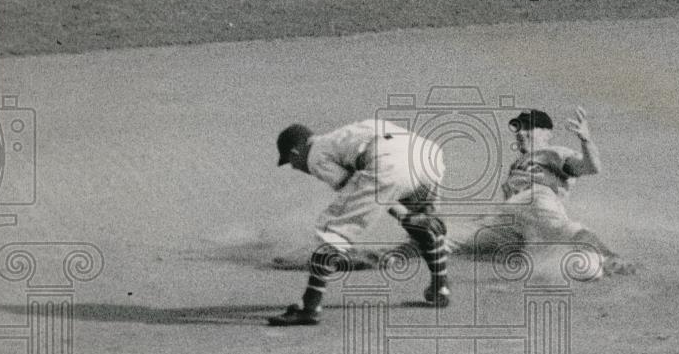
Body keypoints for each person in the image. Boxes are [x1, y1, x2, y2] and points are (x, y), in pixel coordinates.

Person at [267, 119, 450, 326]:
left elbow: (358, 187)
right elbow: (371, 185)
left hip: (389, 161)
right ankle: (440, 286)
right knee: (425, 223)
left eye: (291, 162)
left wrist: (403, 215)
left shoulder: (315, 156)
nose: (294, 167)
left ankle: (309, 307)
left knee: (330, 231)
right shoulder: (343, 135)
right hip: (427, 155)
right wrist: (410, 215)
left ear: (295, 152)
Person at [460, 107, 633, 275]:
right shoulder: (517, 165)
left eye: (529, 127)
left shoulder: (553, 152)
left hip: (538, 200)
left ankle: (611, 258)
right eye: (519, 128)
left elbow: (591, 167)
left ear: (547, 133)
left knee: (559, 226)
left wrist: (586, 141)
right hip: (517, 221)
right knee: (461, 239)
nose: (521, 132)